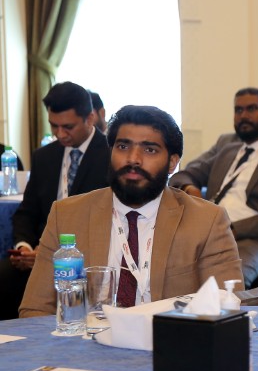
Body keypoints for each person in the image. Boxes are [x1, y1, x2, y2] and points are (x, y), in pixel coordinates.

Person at [20, 105, 243, 317]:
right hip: (86, 340)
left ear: (172, 162)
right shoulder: (67, 215)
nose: (133, 159)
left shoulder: (207, 221)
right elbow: (35, 309)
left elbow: (228, 310)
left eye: (149, 149)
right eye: (123, 147)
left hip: (168, 339)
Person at [170, 87, 258, 286]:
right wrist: (189, 188)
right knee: (169, 268)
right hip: (208, 228)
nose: (243, 115)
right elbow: (184, 174)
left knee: (229, 282)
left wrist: (232, 229)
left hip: (254, 239)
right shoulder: (228, 151)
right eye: (238, 110)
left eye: (252, 109)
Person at [0, 82, 110, 320]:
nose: (60, 134)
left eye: (68, 127)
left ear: (90, 118)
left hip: (87, 255)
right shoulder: (44, 157)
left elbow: (106, 219)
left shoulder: (111, 155)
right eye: (54, 125)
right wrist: (24, 248)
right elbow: (26, 213)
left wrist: (49, 255)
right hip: (38, 254)